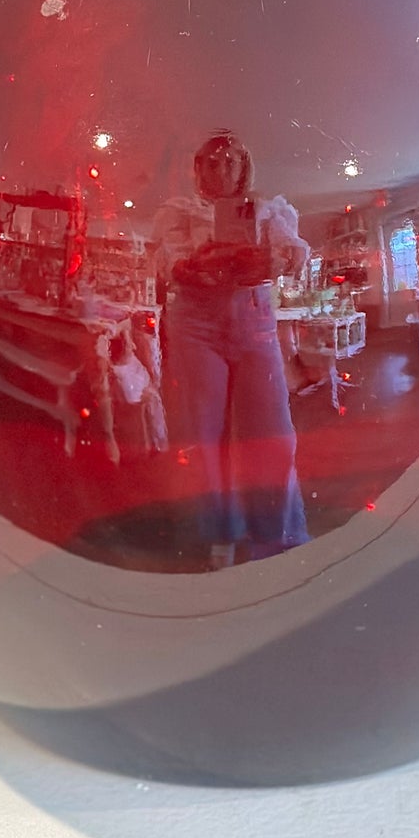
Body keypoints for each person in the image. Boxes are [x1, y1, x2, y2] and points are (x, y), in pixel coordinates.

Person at [151, 133, 310, 562]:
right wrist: (191, 266)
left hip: (254, 318)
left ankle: (274, 530)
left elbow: (295, 251)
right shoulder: (178, 211)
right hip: (197, 322)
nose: (220, 171)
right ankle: (217, 536)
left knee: (271, 425)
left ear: (243, 167)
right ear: (198, 169)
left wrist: (277, 261)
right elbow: (163, 260)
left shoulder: (268, 210)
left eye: (230, 162)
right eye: (211, 163)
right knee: (203, 430)